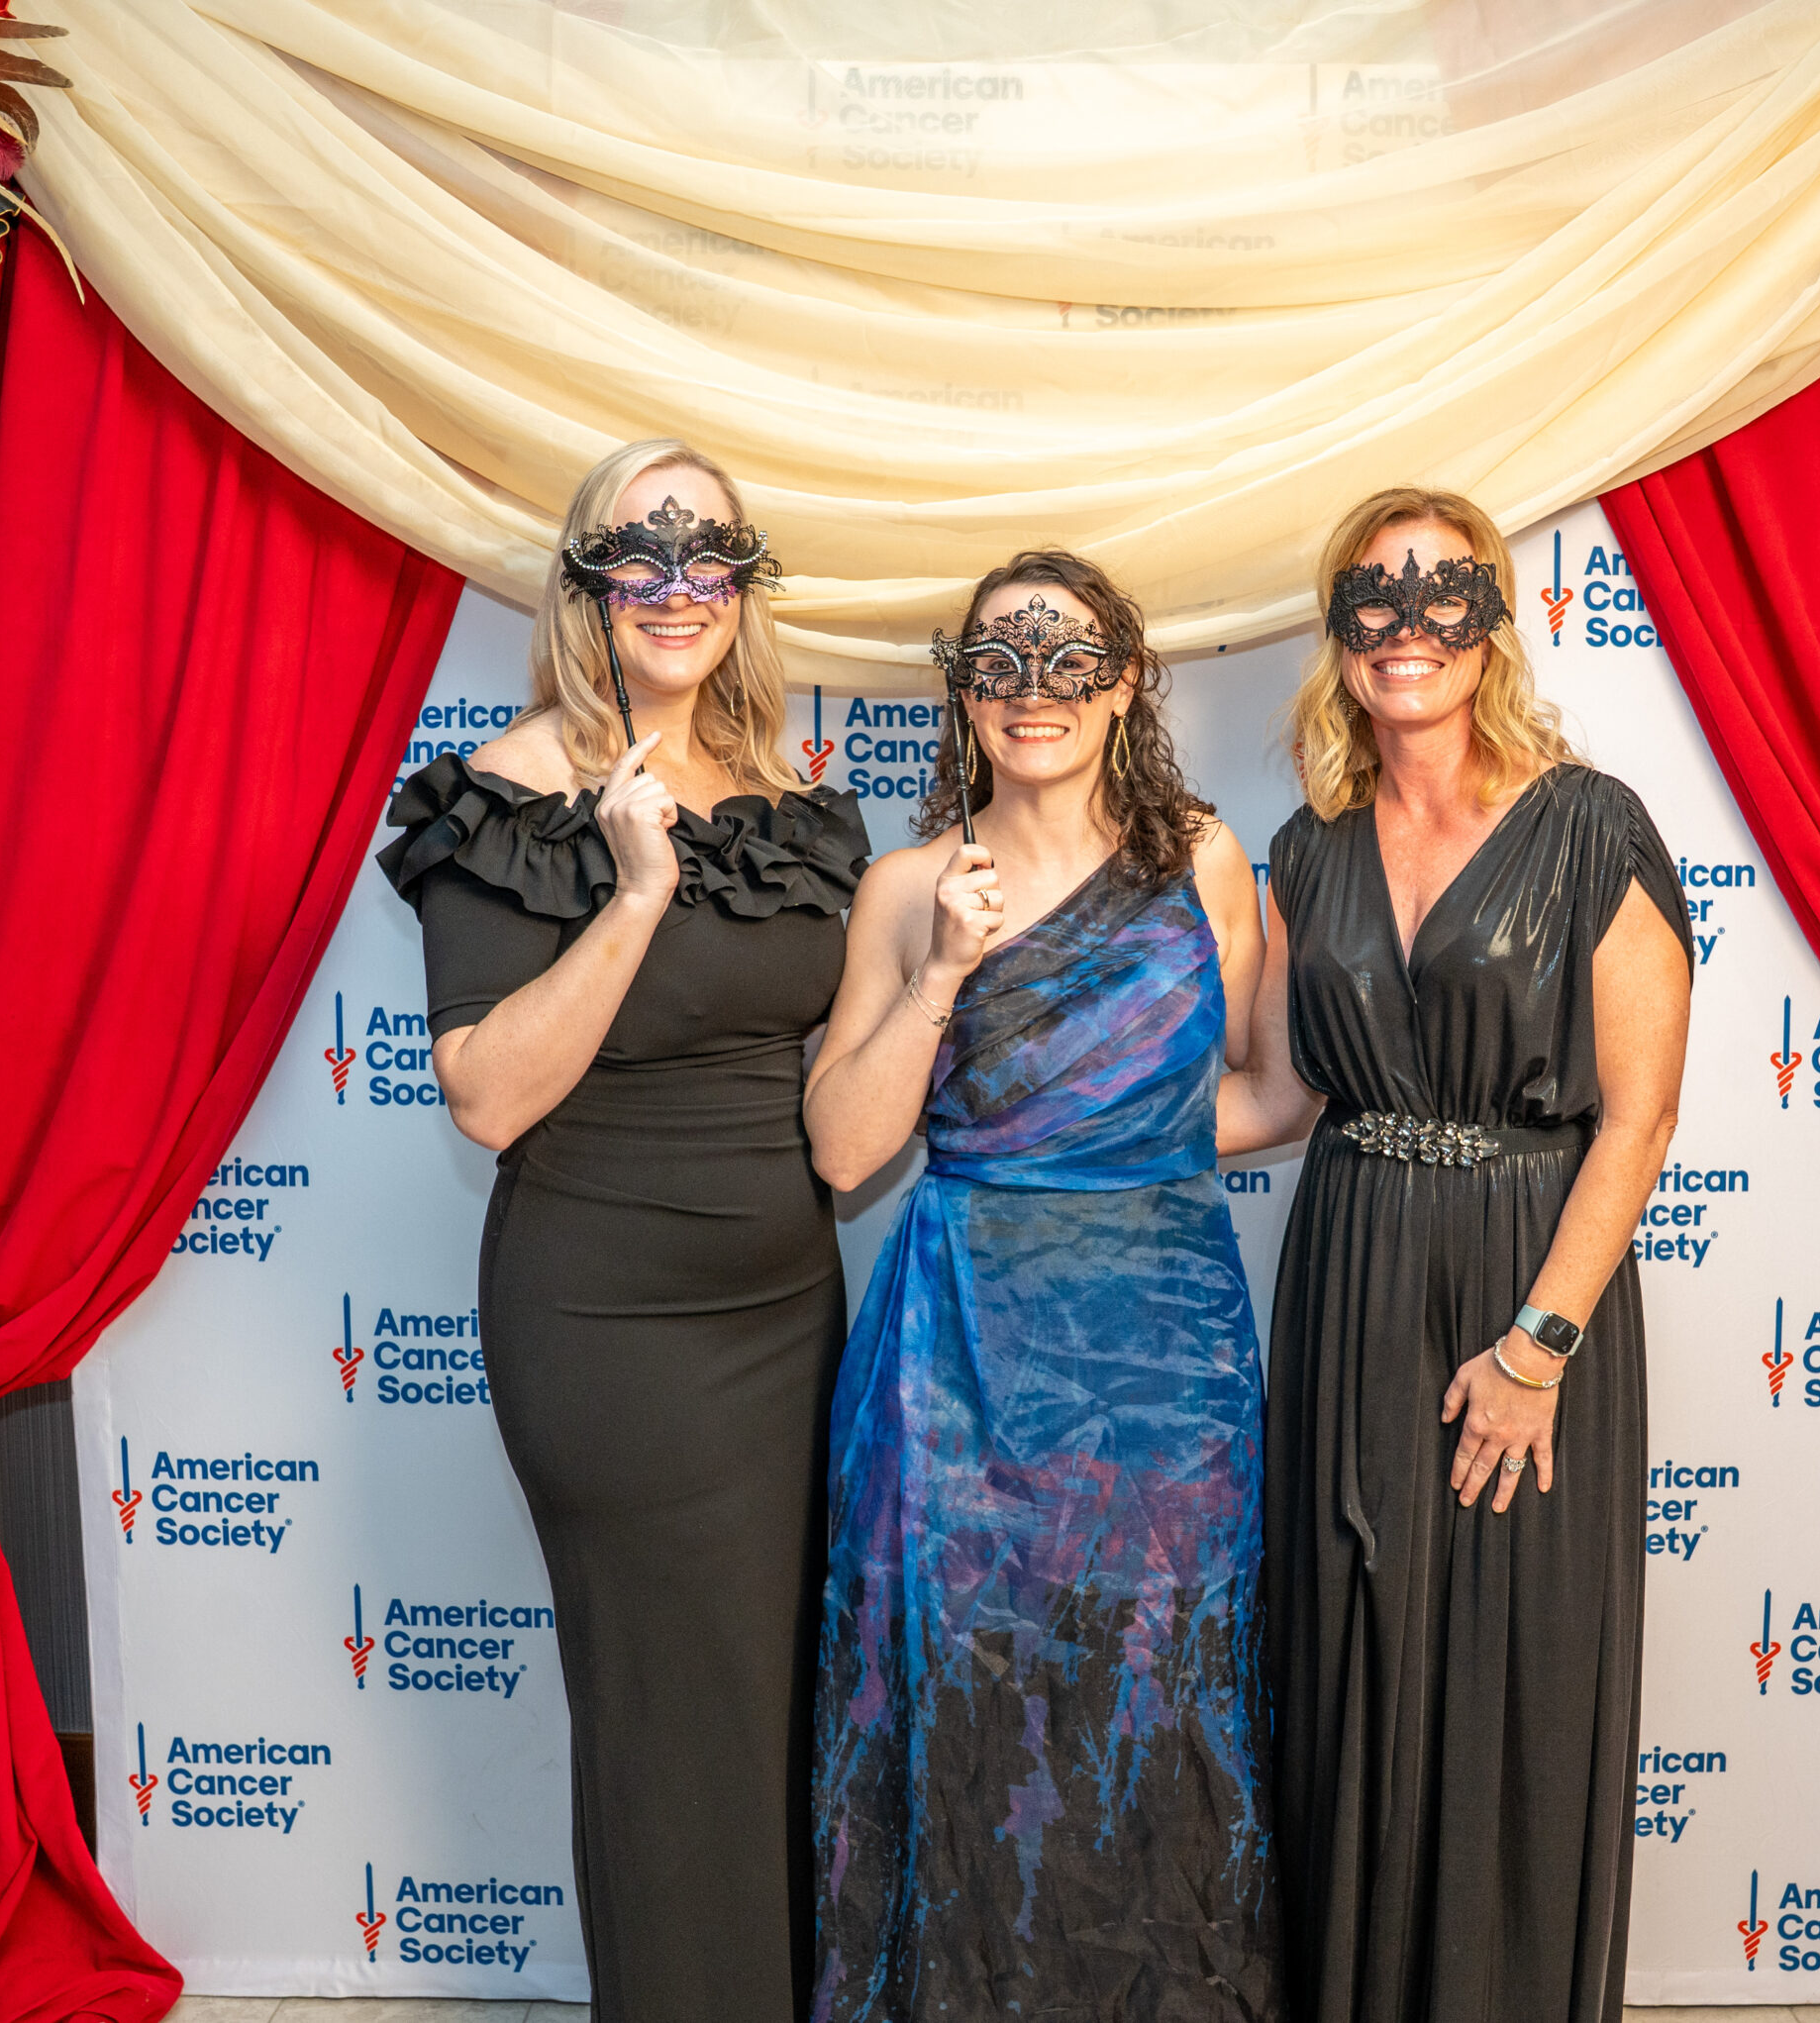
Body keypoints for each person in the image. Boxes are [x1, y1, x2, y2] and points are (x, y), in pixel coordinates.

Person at [375, 440, 867, 2023]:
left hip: (788, 1319)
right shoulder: (507, 797)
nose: (674, 587)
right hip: (609, 1332)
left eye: (707, 556)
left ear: (745, 586)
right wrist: (635, 893)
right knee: (673, 1730)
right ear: (585, 584)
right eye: (638, 556)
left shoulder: (787, 796)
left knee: (778, 1709)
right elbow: (485, 1095)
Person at [1218, 488, 1692, 2023]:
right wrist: (1063, 1106)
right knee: (1349, 1657)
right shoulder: (1309, 850)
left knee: (1512, 1674)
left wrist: (1538, 1347)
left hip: (1525, 1287)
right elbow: (1277, 1098)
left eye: (1442, 595)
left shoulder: (1592, 824)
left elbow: (1640, 1115)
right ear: (1336, 629)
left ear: (1492, 623)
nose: (1406, 629)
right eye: (1373, 597)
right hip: (1352, 1279)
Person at [804, 553, 1282, 2022]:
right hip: (961, 1359)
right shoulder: (906, 887)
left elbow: (1272, 1090)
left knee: (1162, 1690)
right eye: (999, 663)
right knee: (971, 1696)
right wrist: (944, 971)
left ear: (1126, 682)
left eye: (1070, 660)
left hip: (1166, 1352)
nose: (1035, 693)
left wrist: (1105, 1148)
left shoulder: (1203, 859)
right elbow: (844, 1149)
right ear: (962, 691)